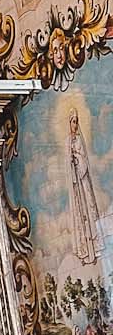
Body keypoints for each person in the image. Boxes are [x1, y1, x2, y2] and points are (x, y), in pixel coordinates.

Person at [68, 111, 101, 270]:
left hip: (83, 182)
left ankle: (93, 251)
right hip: (76, 187)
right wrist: (71, 161)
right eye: (72, 122)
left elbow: (84, 160)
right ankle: (84, 253)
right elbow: (67, 164)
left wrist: (77, 159)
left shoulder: (79, 140)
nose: (74, 125)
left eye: (76, 121)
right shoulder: (68, 141)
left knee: (88, 214)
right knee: (80, 217)